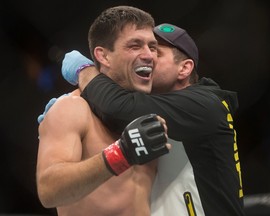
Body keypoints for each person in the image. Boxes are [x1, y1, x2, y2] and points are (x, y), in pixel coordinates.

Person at [61, 23, 245, 215]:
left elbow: (118, 108)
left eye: (156, 51)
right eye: (141, 48)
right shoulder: (161, 106)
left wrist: (84, 70)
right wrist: (76, 101)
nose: (147, 56)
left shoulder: (204, 104)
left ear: (184, 68)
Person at [36, 6, 170, 216]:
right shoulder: (72, 108)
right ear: (103, 56)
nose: (148, 55)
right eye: (135, 46)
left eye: (152, 47)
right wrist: (121, 154)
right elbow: (49, 190)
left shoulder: (153, 108)